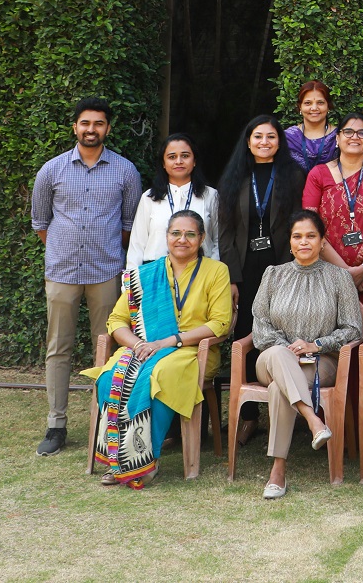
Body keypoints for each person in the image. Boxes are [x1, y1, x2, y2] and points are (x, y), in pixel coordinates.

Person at [84, 210, 231, 486]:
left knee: (160, 375)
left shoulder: (216, 271)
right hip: (144, 347)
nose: (182, 239)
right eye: (176, 233)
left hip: (191, 352)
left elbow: (220, 323)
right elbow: (116, 320)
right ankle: (118, 459)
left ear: (201, 239)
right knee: (110, 377)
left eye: (190, 234)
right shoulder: (145, 274)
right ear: (166, 237)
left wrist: (168, 341)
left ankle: (145, 460)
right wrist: (139, 344)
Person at [30, 97, 143, 456]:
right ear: (75, 127)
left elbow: (129, 226)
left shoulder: (126, 171)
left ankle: (106, 422)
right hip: (62, 272)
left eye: (98, 123)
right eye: (85, 123)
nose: (91, 129)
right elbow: (41, 223)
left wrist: (102, 249)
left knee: (109, 348)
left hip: (106, 272)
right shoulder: (51, 170)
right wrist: (64, 248)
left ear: (107, 128)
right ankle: (56, 425)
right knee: (58, 347)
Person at [251, 209, 363, 499]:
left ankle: (278, 471)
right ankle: (313, 420)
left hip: (319, 362)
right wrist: (288, 348)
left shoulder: (339, 277)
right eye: (297, 236)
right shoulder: (273, 275)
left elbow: (353, 328)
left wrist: (317, 344)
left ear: (322, 241)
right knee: (279, 355)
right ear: (290, 242)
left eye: (311, 236)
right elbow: (260, 325)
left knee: (279, 388)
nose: (304, 242)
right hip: (272, 358)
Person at [216, 113, 306, 445]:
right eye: (258, 137)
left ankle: (289, 408)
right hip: (245, 268)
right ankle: (249, 416)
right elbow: (225, 232)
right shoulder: (235, 177)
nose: (264, 142)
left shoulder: (293, 175)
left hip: (282, 267)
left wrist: (292, 267)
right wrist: (232, 278)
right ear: (248, 141)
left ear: (279, 142)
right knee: (246, 335)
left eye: (271, 136)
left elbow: (299, 225)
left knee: (283, 332)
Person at [303, 110, 363, 332]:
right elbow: (310, 226)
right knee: (329, 337)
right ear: (337, 138)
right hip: (328, 273)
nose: (355, 137)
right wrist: (346, 272)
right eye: (348, 132)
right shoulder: (318, 175)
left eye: (362, 133)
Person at [127, 132, 220, 267]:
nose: (178, 161)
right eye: (172, 157)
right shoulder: (149, 197)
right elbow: (137, 245)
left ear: (194, 161)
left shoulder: (210, 195)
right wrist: (132, 277)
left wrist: (213, 271)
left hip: (201, 271)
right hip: (156, 272)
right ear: (163, 163)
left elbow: (218, 240)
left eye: (185, 156)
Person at [285, 81, 339, 172]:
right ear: (300, 106)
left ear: (328, 106)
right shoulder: (288, 137)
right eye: (308, 103)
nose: (314, 108)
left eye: (320, 103)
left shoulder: (338, 137)